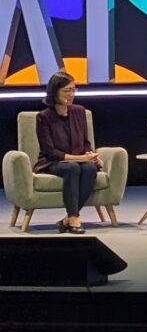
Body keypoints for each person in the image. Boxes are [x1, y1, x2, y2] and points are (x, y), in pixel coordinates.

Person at [35, 71, 101, 234]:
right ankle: (73, 217)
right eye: (67, 91)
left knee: (90, 168)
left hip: (77, 160)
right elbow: (50, 152)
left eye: (74, 90)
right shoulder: (43, 117)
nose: (71, 94)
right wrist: (80, 158)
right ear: (54, 91)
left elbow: (85, 143)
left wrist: (90, 155)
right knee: (72, 167)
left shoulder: (79, 111)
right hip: (51, 162)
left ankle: (70, 219)